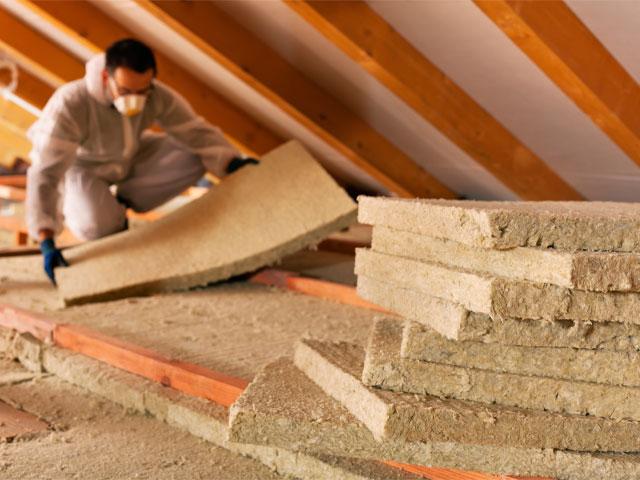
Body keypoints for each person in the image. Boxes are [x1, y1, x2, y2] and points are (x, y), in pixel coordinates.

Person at [26, 38, 258, 286]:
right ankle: (110, 217)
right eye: (125, 92)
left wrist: (232, 162)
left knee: (196, 151)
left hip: (131, 155)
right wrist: (46, 239)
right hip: (83, 168)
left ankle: (122, 203)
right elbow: (46, 172)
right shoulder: (71, 102)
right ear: (106, 78)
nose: (134, 99)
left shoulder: (156, 95)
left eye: (142, 92)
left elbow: (196, 131)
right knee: (94, 224)